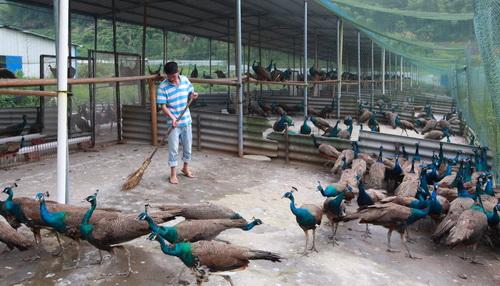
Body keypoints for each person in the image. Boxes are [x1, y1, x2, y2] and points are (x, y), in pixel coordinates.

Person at [157, 61, 198, 184]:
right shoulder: (163, 87)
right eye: (169, 77)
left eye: (174, 76)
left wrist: (194, 95)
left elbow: (191, 93)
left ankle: (185, 168)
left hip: (186, 120)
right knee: (173, 148)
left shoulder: (185, 80)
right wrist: (172, 118)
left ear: (178, 72)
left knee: (188, 146)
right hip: (173, 122)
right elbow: (163, 106)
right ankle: (173, 174)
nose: (172, 79)